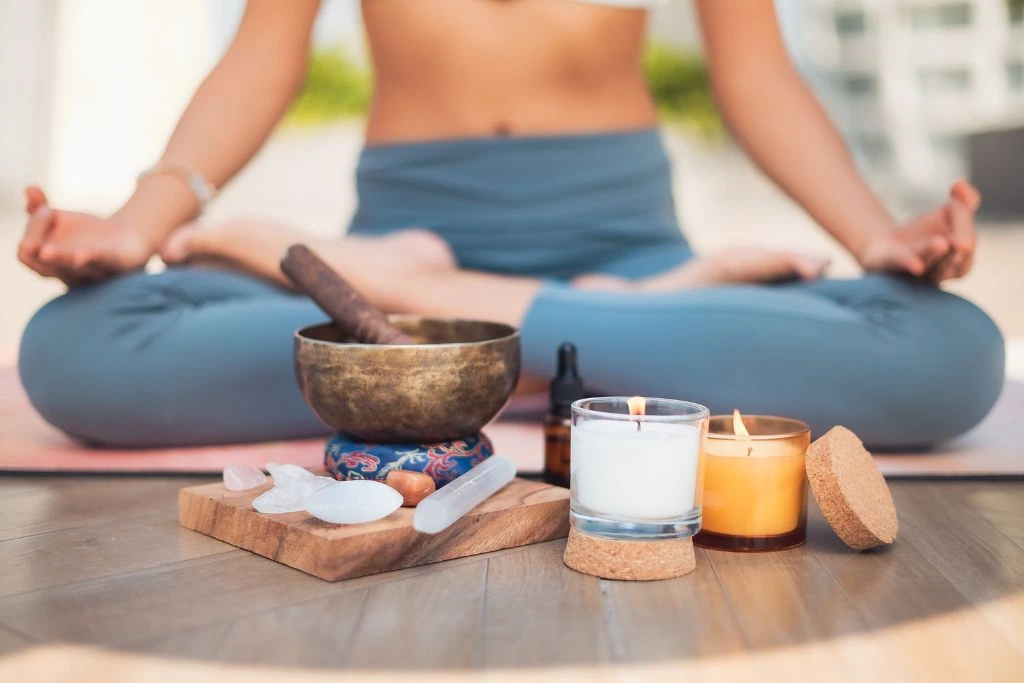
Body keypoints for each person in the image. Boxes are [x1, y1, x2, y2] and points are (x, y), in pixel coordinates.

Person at [17, 0, 1004, 449]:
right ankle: (599, 343)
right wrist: (137, 223)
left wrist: (878, 239)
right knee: (79, 345)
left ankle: (444, 319)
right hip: (414, 235)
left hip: (515, 267)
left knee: (945, 351)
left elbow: (754, 72)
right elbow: (261, 53)